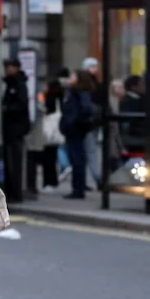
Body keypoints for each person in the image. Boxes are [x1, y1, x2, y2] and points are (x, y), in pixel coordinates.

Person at [60, 70, 96, 199]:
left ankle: (78, 189)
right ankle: (78, 187)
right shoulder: (73, 92)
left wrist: (73, 122)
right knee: (76, 159)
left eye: (73, 76)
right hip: (73, 129)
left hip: (75, 130)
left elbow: (85, 109)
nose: (70, 78)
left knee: (77, 159)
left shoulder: (80, 92)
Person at [1, 58, 30, 204]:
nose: (7, 70)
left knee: (15, 162)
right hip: (9, 128)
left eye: (9, 67)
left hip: (15, 128)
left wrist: (6, 109)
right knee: (8, 161)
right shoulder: (8, 83)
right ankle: (11, 191)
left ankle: (16, 193)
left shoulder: (18, 84)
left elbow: (21, 105)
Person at [81, 57, 104, 188]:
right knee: (90, 152)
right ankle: (95, 178)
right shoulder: (89, 85)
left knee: (90, 151)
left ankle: (96, 177)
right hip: (89, 123)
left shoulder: (93, 84)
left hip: (90, 123)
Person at [40, 76, 65, 191]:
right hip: (57, 132)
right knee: (53, 157)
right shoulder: (61, 98)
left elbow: (45, 111)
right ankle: (53, 181)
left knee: (48, 158)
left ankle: (48, 182)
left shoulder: (49, 98)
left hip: (49, 132)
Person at [118, 75, 146, 155]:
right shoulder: (128, 101)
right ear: (134, 87)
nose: (144, 87)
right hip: (134, 137)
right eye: (142, 84)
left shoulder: (141, 98)